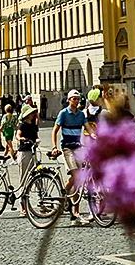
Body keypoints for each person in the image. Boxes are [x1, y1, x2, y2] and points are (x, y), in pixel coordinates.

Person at [52, 90, 89, 223]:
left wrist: (94, 135)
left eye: (78, 99)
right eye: (74, 99)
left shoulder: (80, 115)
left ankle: (75, 212)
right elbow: (55, 130)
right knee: (76, 175)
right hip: (67, 148)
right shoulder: (63, 113)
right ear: (69, 100)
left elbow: (87, 128)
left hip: (78, 148)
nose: (76, 101)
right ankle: (62, 196)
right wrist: (55, 146)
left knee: (77, 180)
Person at [17, 96, 41, 181]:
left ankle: (40, 191)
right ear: (26, 115)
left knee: (35, 171)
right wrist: (21, 138)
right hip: (24, 150)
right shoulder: (23, 125)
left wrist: (37, 141)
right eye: (31, 113)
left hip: (32, 150)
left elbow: (36, 136)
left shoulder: (34, 125)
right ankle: (22, 192)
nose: (33, 114)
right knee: (24, 174)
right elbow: (18, 135)